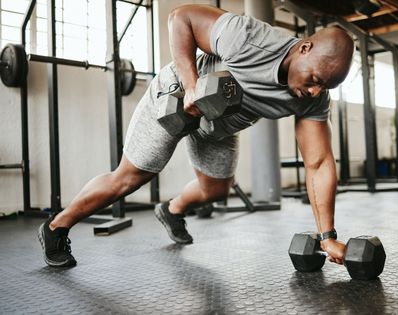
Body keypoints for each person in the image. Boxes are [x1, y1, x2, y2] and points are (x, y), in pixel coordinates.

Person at [37, 4, 354, 268]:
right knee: (128, 179)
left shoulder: (312, 99)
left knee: (216, 188)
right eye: (314, 78)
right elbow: (181, 17)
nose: (314, 90)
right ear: (304, 48)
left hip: (222, 121)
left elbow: (319, 163)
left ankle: (172, 209)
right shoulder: (248, 38)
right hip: (177, 97)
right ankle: (56, 227)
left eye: (324, 86)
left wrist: (326, 236)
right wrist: (191, 87)